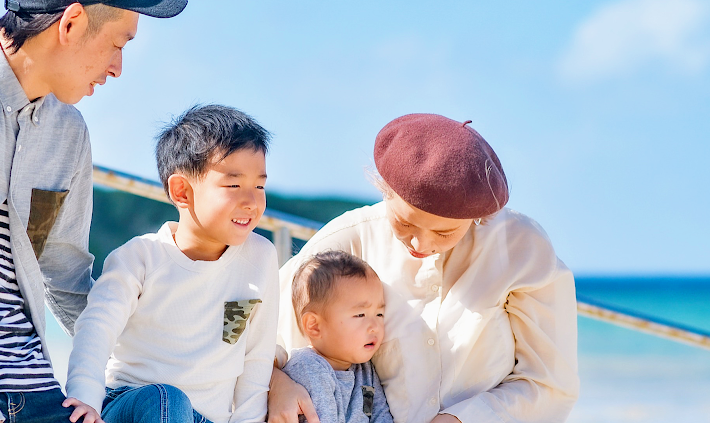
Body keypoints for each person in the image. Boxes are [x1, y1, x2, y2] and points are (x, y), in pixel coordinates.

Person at [0, 0, 187, 422]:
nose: (118, 67)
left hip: (38, 394)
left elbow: (68, 279)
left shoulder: (69, 132)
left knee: (165, 403)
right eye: (119, 43)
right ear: (72, 22)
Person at [270, 114, 580, 423]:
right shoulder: (347, 241)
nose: (419, 243)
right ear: (384, 190)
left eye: (445, 233)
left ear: (479, 217)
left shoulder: (520, 247)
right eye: (404, 223)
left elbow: (550, 383)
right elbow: (265, 338)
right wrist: (276, 384)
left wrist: (462, 419)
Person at [64, 104, 280, 423]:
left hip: (207, 418)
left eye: (259, 185)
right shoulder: (141, 257)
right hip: (134, 403)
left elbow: (257, 358)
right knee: (168, 399)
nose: (251, 200)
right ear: (182, 191)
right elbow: (97, 328)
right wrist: (85, 396)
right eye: (234, 185)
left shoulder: (260, 256)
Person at [283, 250, 393, 423]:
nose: (375, 327)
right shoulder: (308, 367)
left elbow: (381, 415)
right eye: (360, 315)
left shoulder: (364, 369)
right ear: (314, 326)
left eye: (379, 314)